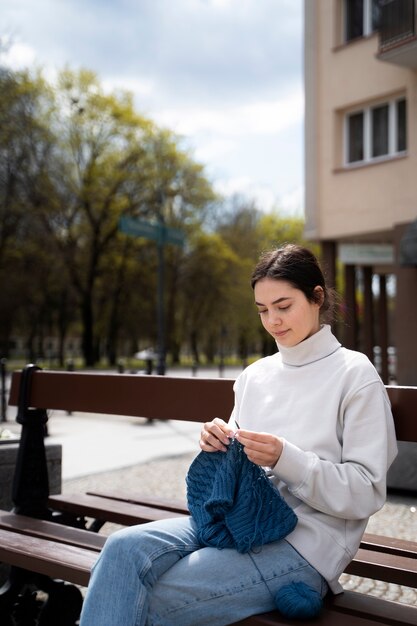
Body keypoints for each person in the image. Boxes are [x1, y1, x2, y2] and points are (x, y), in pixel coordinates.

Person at [79, 243, 397, 626]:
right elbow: (236, 462)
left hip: (306, 544)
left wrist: (286, 459)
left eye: (283, 306)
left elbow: (367, 491)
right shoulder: (255, 375)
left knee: (149, 601)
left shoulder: (354, 374)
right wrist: (217, 440)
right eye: (263, 310)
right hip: (238, 521)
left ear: (317, 298)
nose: (273, 321)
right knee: (122, 547)